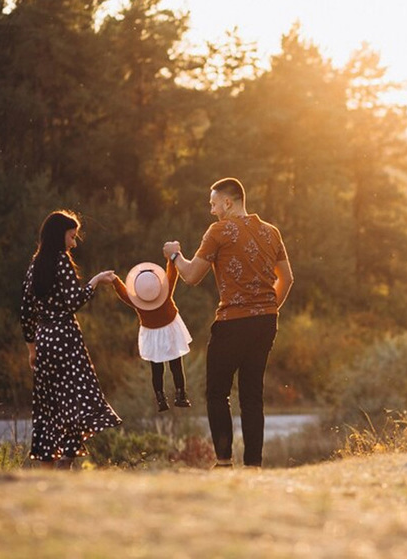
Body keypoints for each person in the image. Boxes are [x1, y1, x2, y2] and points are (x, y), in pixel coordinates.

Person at [163, 177, 293, 468]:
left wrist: (174, 254)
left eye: (213, 204)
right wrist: (268, 308)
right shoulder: (272, 232)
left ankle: (223, 462)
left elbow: (192, 275)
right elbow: (288, 278)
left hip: (232, 323)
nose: (212, 211)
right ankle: (253, 466)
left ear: (228, 202)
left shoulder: (219, 231)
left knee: (217, 393)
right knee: (252, 395)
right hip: (266, 323)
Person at [20, 210, 122, 469]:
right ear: (59, 236)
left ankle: (47, 468)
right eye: (72, 237)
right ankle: (66, 459)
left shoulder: (34, 266)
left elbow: (26, 311)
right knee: (78, 399)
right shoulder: (60, 261)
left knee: (49, 406)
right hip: (65, 339)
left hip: (44, 341)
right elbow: (74, 300)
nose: (74, 243)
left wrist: (32, 350)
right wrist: (97, 280)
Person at [112, 258, 193, 412]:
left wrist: (115, 280)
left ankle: (160, 398)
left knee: (157, 369)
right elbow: (172, 274)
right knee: (176, 364)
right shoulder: (166, 291)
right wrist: (171, 259)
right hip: (170, 329)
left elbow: (123, 294)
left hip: (152, 334)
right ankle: (181, 395)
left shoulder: (137, 301)